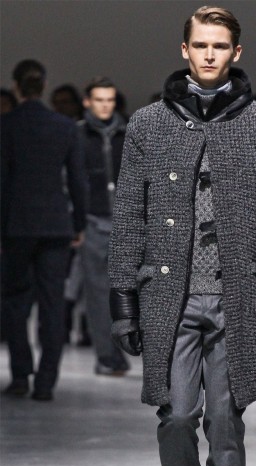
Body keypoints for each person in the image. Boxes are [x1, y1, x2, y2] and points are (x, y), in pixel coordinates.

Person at [108, 6, 256, 466]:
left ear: (236, 53)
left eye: (220, 45)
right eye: (200, 45)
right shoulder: (147, 124)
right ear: (184, 50)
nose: (210, 54)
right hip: (170, 298)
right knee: (176, 419)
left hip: (238, 298)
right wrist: (123, 301)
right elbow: (129, 215)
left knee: (224, 424)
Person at [1, 59, 86, 400]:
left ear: (16, 86)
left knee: (15, 302)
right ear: (44, 85)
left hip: (17, 225)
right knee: (53, 304)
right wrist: (79, 223)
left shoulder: (6, 125)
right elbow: (78, 180)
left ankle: (21, 375)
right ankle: (46, 382)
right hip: (55, 223)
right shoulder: (65, 126)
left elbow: (1, 182)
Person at [78, 77, 130, 375]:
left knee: (130, 291)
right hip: (93, 222)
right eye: (99, 100)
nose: (105, 106)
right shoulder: (77, 135)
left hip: (128, 224)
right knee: (98, 295)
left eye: (109, 100)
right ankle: (107, 356)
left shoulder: (130, 133)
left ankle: (124, 350)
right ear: (87, 102)